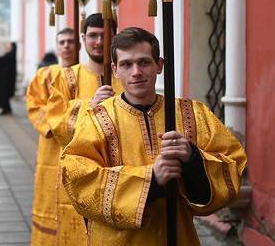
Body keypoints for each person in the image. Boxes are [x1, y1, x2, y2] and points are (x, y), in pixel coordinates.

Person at [61, 27, 247, 245]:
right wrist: (150, 179)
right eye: (126, 64)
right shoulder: (96, 119)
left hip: (177, 236)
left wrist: (193, 159)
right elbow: (77, 179)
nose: (136, 71)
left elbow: (233, 165)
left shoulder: (191, 114)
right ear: (114, 69)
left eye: (144, 62)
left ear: (159, 65)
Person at [44, 13, 123, 245]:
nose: (98, 42)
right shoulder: (67, 76)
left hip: (118, 165)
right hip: (80, 167)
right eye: (92, 36)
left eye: (104, 36)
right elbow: (56, 119)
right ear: (83, 38)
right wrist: (89, 105)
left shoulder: (125, 73)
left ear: (114, 37)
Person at [26, 28, 75, 245]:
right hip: (51, 147)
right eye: (62, 42)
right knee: (49, 198)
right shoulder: (44, 75)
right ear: (56, 46)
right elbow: (34, 105)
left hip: (78, 146)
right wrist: (55, 125)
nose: (66, 46)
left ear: (79, 45)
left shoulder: (88, 73)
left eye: (70, 42)